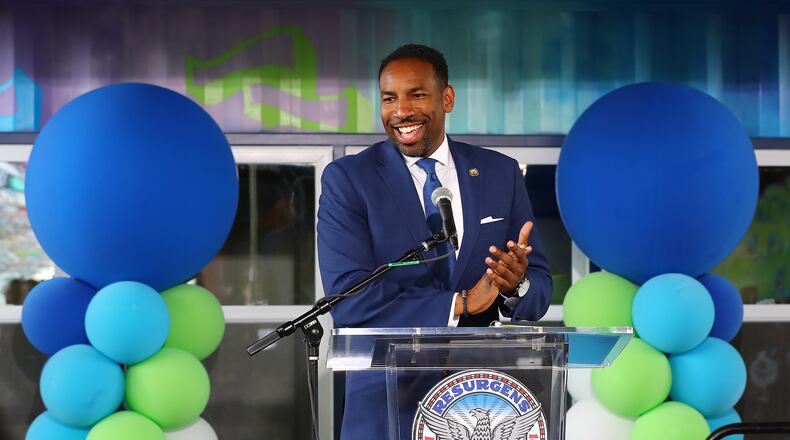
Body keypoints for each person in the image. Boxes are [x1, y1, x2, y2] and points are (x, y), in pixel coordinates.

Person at [317, 44, 552, 439]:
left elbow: (540, 288)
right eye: (389, 99)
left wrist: (517, 285)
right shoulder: (349, 180)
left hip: (480, 406)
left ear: (447, 98)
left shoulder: (500, 173)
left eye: (417, 95)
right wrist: (459, 304)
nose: (401, 111)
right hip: (384, 409)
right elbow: (348, 298)